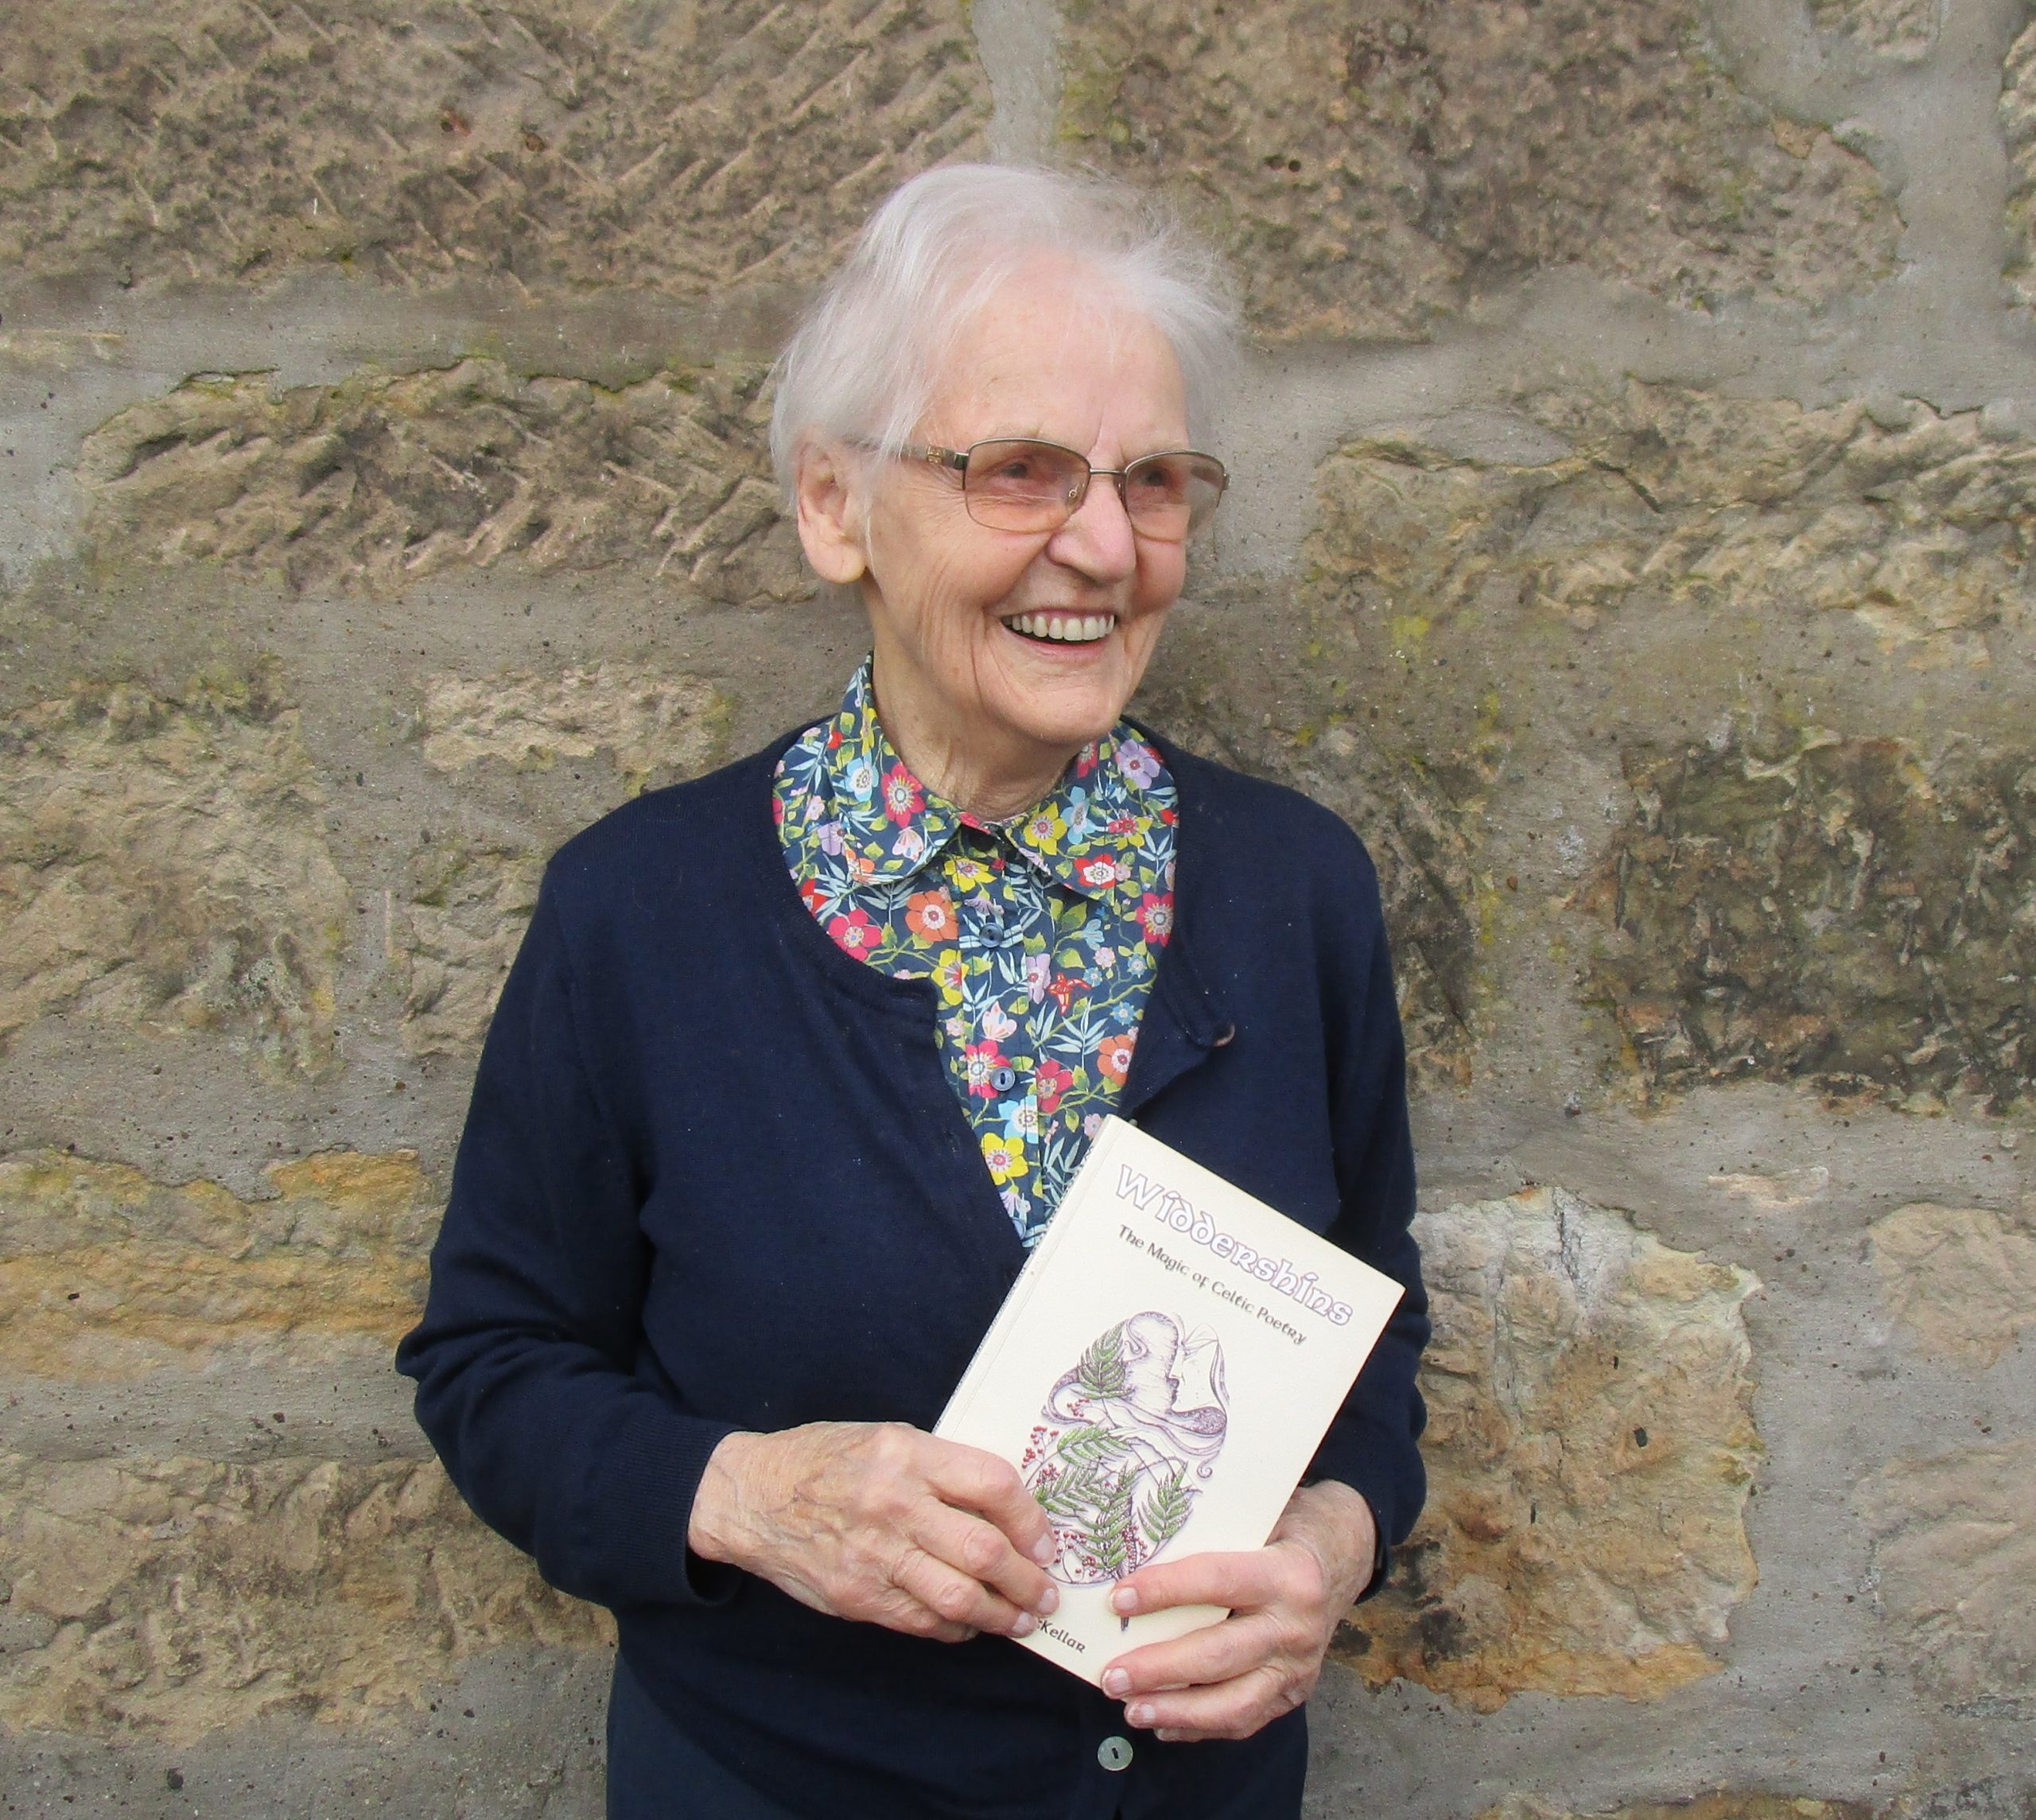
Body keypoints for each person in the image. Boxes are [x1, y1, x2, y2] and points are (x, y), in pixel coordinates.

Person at [397, 163, 1428, 1820]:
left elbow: (1370, 1331)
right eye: (1015, 469)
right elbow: (493, 1364)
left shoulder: (1294, 890)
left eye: (1150, 479)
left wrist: (1330, 1538)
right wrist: (742, 1492)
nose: (1100, 544)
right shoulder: (639, 914)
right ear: (833, 508)